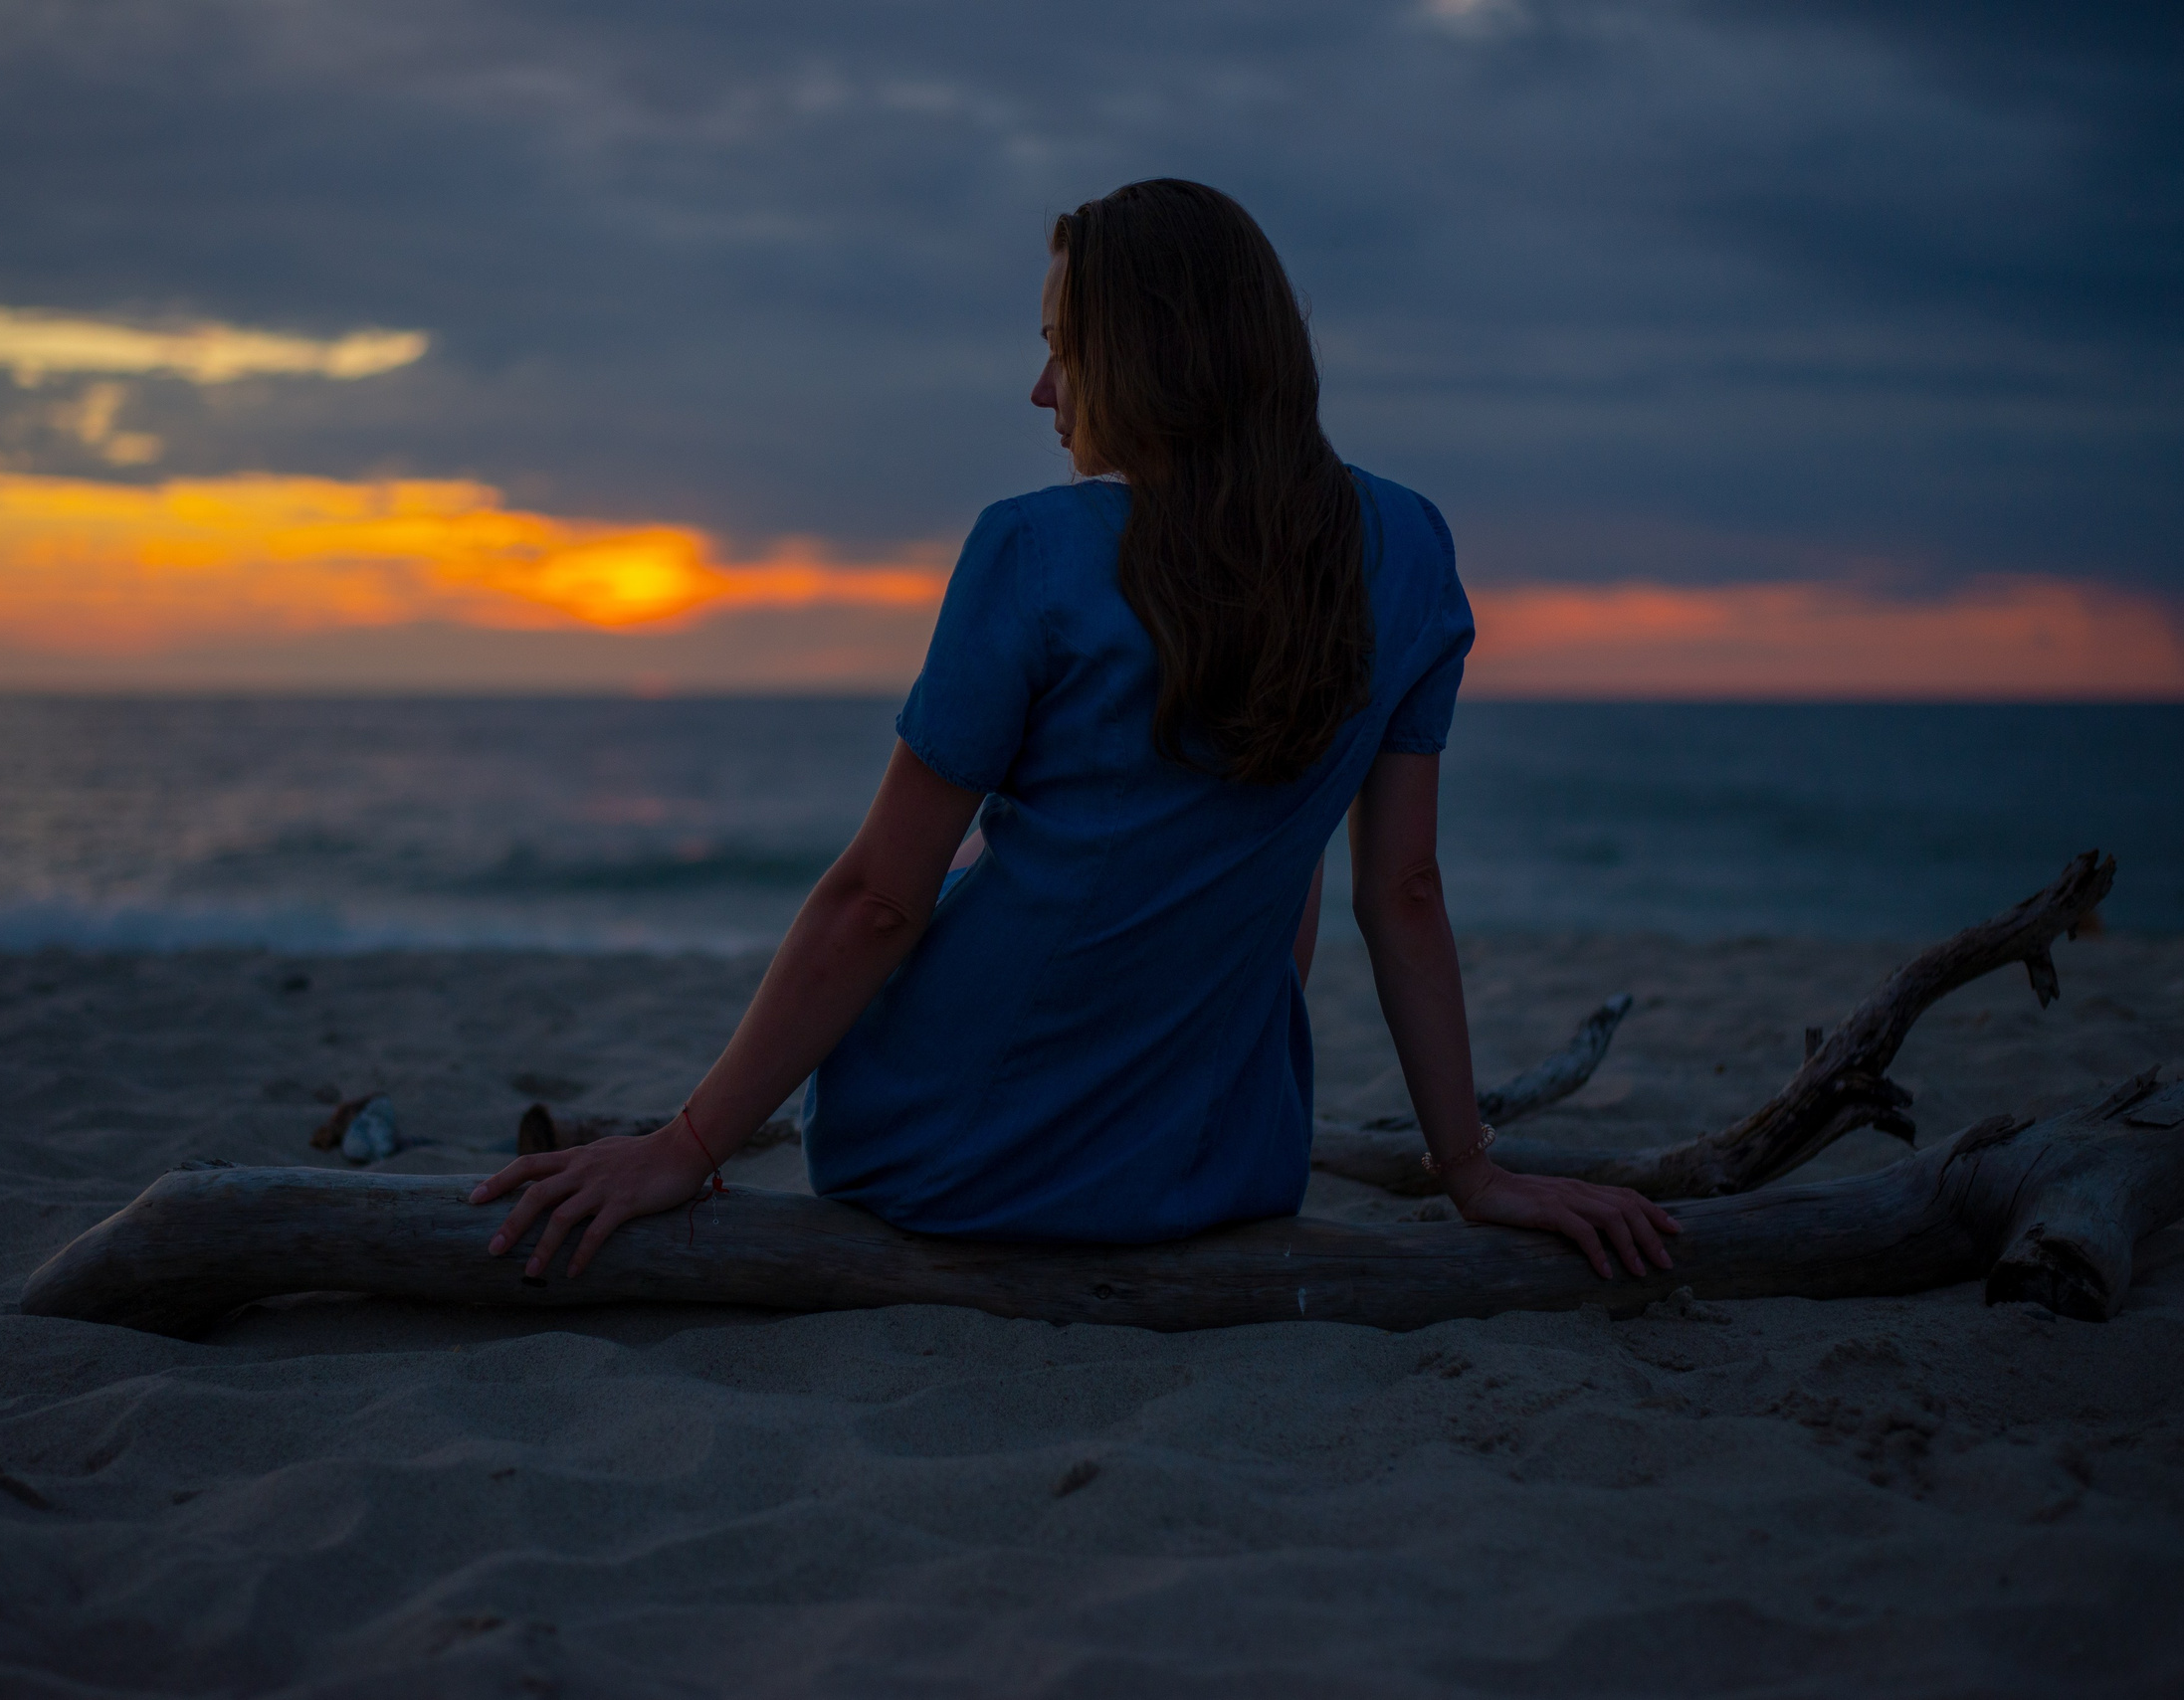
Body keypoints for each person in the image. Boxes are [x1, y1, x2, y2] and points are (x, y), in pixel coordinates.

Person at [474, 179, 1679, 1285]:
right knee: (1265, 818)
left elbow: (873, 905)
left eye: (1061, 350)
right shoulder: (1412, 546)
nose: (1043, 392)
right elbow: (1401, 889)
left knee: (972, 858)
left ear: (1145, 358)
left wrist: (685, 1144)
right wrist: (1471, 1168)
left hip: (947, 1162)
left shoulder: (1032, 551)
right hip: (1217, 1171)